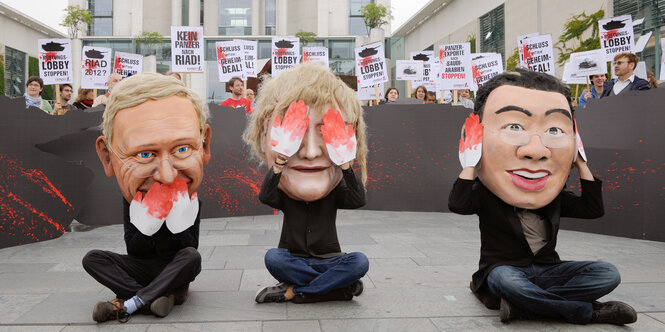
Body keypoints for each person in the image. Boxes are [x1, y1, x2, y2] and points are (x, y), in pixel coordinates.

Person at [449, 68, 637, 325]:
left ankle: (524, 305)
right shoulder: (485, 195)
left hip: (548, 269)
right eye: (514, 126)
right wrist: (470, 158)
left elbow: (592, 210)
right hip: (505, 269)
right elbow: (458, 204)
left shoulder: (554, 196)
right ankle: (589, 312)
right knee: (505, 281)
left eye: (555, 130)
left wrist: (581, 162)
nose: (536, 150)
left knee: (607, 274)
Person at [82, 73, 211, 323]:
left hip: (174, 265)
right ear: (108, 157)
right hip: (142, 267)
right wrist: (150, 219)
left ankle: (129, 302)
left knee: (191, 258)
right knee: (93, 259)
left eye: (182, 149)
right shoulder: (134, 199)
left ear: (204, 145)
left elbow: (189, 247)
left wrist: (176, 219)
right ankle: (153, 297)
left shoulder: (190, 199)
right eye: (144, 154)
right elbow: (134, 248)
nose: (165, 175)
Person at [243, 62, 369, 304]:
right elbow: (266, 196)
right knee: (273, 258)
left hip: (332, 259)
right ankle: (334, 287)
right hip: (294, 260)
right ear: (262, 136)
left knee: (359, 261)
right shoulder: (283, 192)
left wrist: (344, 162)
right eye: (295, 131)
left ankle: (296, 291)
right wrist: (280, 161)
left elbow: (358, 199)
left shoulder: (335, 191)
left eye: (326, 131)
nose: (310, 152)